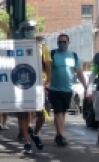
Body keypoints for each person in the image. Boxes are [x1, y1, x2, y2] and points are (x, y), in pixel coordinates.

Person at [12, 21, 51, 153]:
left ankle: (35, 133)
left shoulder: (41, 46)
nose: (30, 31)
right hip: (22, 84)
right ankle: (27, 141)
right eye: (27, 29)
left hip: (39, 84)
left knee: (44, 112)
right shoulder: (17, 46)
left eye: (32, 29)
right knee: (23, 114)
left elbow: (48, 65)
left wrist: (48, 81)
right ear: (23, 31)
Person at [48, 33, 88, 146]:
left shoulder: (73, 56)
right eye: (59, 42)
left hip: (67, 90)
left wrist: (85, 86)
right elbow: (47, 70)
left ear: (68, 43)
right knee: (58, 112)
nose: (62, 44)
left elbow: (79, 72)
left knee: (62, 113)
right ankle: (61, 135)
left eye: (64, 42)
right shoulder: (52, 54)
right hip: (54, 89)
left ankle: (58, 134)